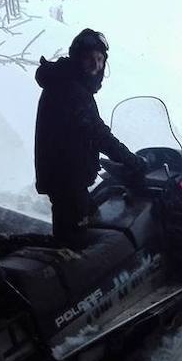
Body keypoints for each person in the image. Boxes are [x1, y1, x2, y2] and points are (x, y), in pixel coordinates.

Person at [34, 28, 145, 249]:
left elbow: (85, 133)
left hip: (66, 178)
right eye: (89, 60)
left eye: (100, 59)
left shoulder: (65, 82)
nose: (96, 66)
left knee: (85, 225)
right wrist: (131, 160)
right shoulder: (70, 89)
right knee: (76, 248)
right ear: (77, 60)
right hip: (66, 180)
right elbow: (97, 132)